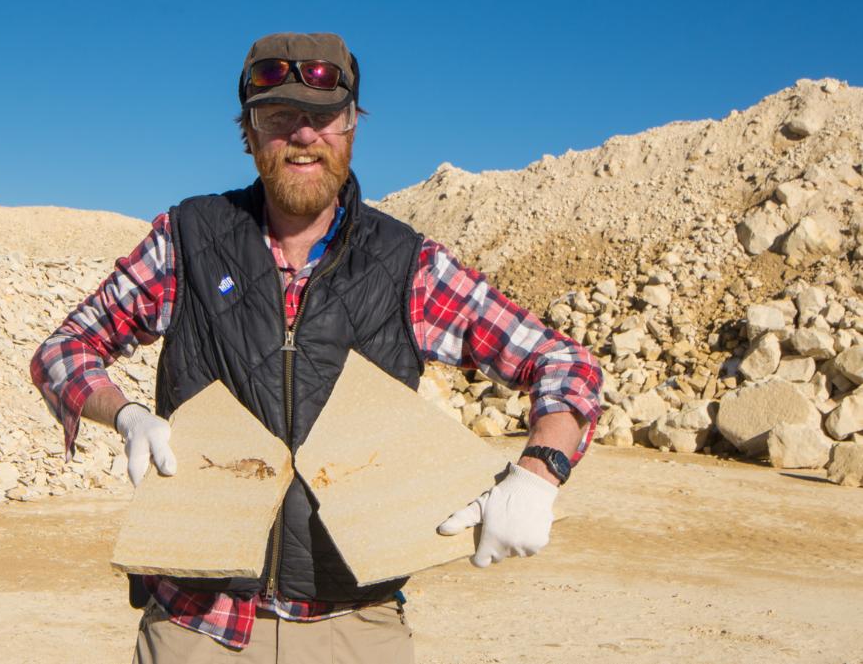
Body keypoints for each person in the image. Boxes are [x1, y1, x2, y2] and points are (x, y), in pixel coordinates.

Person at [30, 32, 603, 663]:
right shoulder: (188, 242)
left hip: (354, 626)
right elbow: (65, 349)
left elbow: (563, 364)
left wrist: (538, 474)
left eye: (325, 116)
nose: (304, 134)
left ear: (353, 124)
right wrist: (127, 414)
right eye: (279, 117)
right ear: (247, 131)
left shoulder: (406, 264)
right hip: (195, 626)